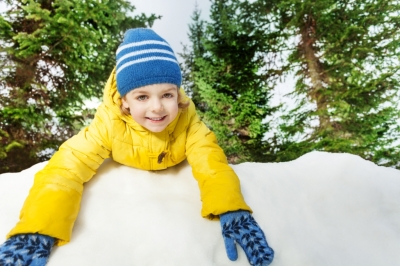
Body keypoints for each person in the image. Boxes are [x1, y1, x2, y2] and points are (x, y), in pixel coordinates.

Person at [0, 28, 274, 266]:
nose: (157, 107)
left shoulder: (188, 121)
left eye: (167, 94)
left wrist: (230, 207)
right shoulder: (109, 124)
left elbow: (211, 162)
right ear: (125, 100)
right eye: (142, 96)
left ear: (177, 95)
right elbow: (65, 169)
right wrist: (37, 226)